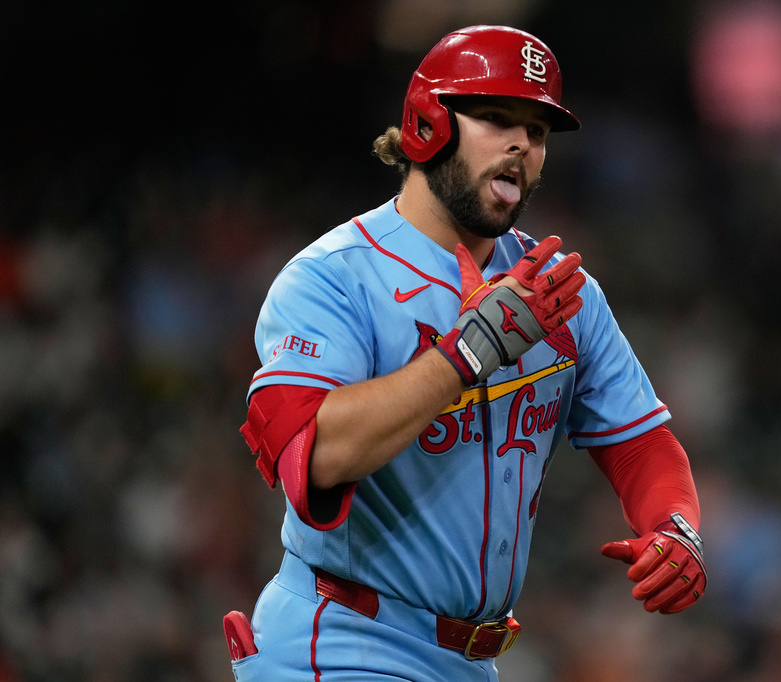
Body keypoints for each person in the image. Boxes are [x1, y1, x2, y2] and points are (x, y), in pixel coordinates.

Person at [223, 24, 706, 682]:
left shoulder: (559, 290)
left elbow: (642, 443)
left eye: (536, 131)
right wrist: (469, 351)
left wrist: (674, 526)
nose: (521, 144)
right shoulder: (334, 277)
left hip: (469, 661)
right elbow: (317, 457)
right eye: (496, 117)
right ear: (428, 125)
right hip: (341, 642)